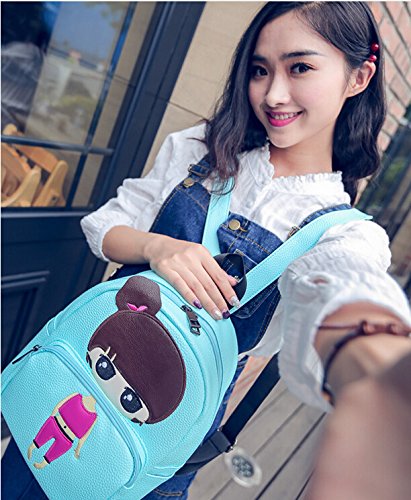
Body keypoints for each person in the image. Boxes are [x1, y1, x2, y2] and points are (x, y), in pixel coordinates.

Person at [2, 2, 411, 499]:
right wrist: (157, 246)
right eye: (259, 70)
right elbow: (105, 225)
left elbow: (343, 300)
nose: (273, 94)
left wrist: (376, 362)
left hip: (158, 439)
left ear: (359, 76)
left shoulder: (343, 235)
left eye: (300, 67)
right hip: (72, 379)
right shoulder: (204, 148)